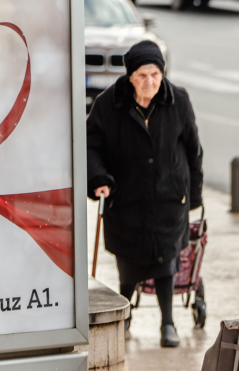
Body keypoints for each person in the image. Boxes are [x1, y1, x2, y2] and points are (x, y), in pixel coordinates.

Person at [87, 40, 204, 348]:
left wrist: (193, 195)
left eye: (155, 74)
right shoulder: (108, 104)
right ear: (130, 77)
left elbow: (193, 149)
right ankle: (124, 313)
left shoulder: (178, 100)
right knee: (129, 262)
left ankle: (168, 323)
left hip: (169, 197)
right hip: (126, 199)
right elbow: (90, 146)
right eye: (142, 75)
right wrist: (98, 178)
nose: (149, 82)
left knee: (167, 258)